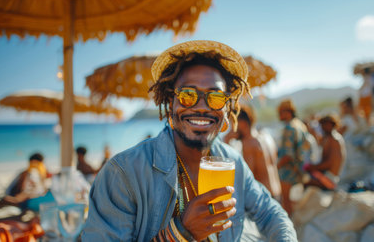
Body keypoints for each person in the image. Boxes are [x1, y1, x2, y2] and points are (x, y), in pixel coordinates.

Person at [82, 40, 297, 241]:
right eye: (188, 95)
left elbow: (271, 213)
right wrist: (181, 233)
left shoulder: (232, 162)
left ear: (227, 108)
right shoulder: (123, 174)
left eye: (215, 97)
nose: (202, 106)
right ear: (170, 102)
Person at [223, 105, 282, 200]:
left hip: (264, 197)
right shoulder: (266, 137)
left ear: (241, 123)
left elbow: (245, 177)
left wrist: (226, 140)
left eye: (232, 123)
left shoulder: (249, 143)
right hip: (277, 192)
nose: (232, 129)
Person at [276, 99, 309, 216]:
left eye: (281, 112)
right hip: (299, 169)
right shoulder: (300, 125)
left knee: (286, 203)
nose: (278, 115)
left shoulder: (289, 128)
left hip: (288, 170)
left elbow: (287, 155)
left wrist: (275, 168)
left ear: (288, 112)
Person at [303, 115, 346, 190]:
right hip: (326, 175)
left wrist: (312, 167)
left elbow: (330, 163)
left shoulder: (335, 140)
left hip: (330, 178)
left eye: (324, 125)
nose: (323, 127)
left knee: (303, 181)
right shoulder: (328, 138)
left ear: (331, 124)